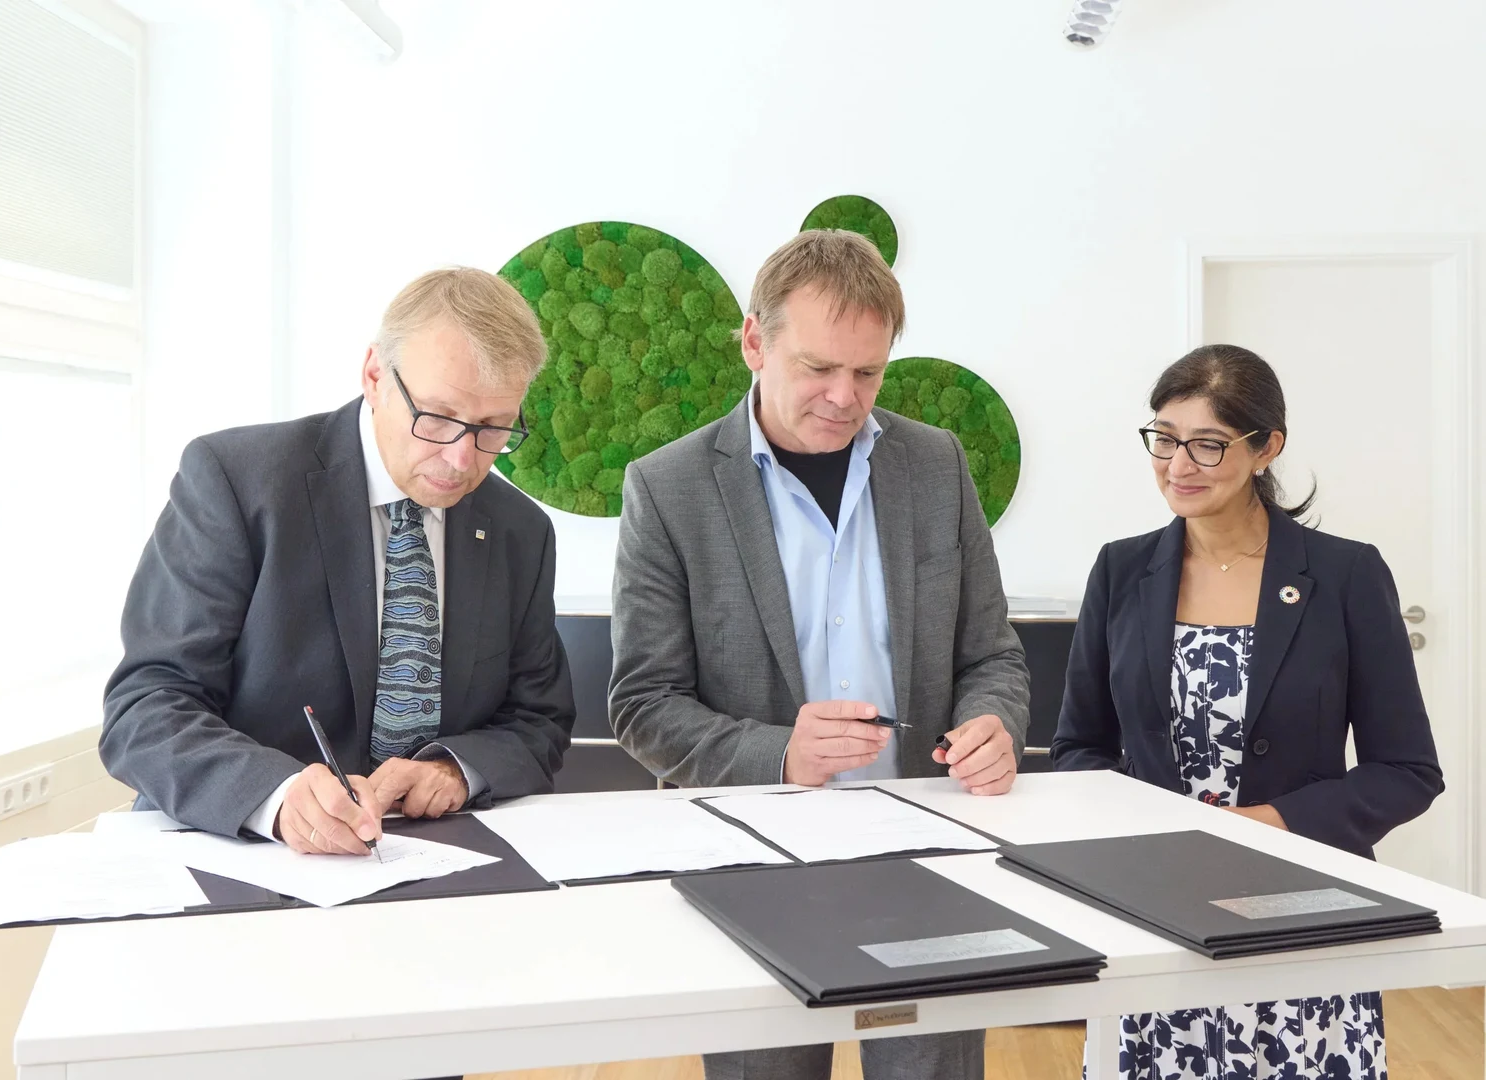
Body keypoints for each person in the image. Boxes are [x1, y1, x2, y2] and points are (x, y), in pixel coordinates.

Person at [609, 228, 1030, 1080]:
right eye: (818, 368)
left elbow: (992, 655)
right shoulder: (668, 487)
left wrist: (994, 721)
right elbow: (644, 703)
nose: (846, 397)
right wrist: (780, 753)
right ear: (755, 343)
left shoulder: (938, 465)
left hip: (926, 855)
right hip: (755, 858)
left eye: (868, 373)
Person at [1052, 344, 1443, 1080]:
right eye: (1164, 439)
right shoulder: (1120, 569)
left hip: (1305, 917)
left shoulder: (1346, 574)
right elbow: (1079, 748)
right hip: (1156, 909)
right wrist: (1150, 837)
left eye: (1207, 444)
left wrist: (1258, 829)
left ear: (1268, 448)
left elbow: (1407, 771)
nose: (1178, 465)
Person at [102, 268, 575, 855]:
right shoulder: (237, 481)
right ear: (375, 375)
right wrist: (275, 797)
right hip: (242, 854)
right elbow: (147, 705)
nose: (461, 459)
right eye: (437, 417)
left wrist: (457, 769)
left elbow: (540, 721)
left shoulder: (519, 531)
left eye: (494, 428)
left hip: (429, 865)